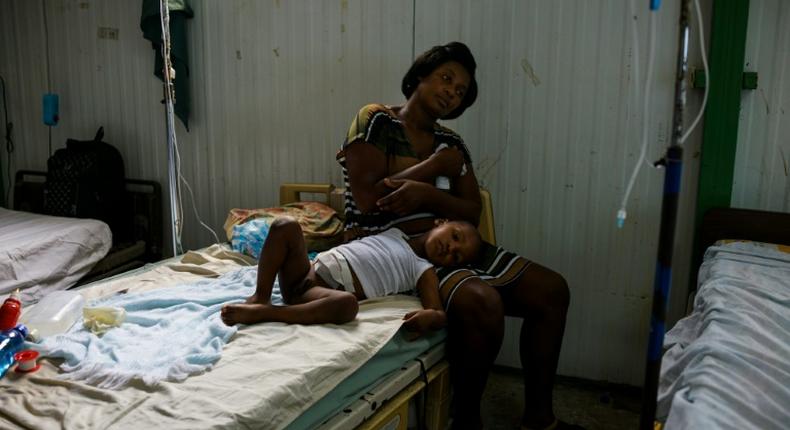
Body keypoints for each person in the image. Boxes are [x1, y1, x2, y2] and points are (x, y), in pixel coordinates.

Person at [336, 42, 581, 430]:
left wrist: (430, 194)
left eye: (461, 90)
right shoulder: (376, 120)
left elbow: (471, 211)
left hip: (448, 238)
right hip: (397, 247)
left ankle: (539, 418)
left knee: (552, 290)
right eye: (446, 78)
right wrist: (433, 172)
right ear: (421, 75)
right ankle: (465, 420)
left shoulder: (452, 143)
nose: (452, 91)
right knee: (483, 302)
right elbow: (370, 201)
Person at [220, 217, 482, 340]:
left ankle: (269, 313)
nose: (450, 248)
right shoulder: (394, 231)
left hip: (320, 295)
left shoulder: (422, 269)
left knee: (347, 305)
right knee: (284, 226)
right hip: (305, 272)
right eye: (455, 237)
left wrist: (432, 317)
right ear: (441, 222)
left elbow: (437, 311)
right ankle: (261, 295)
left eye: (457, 257)